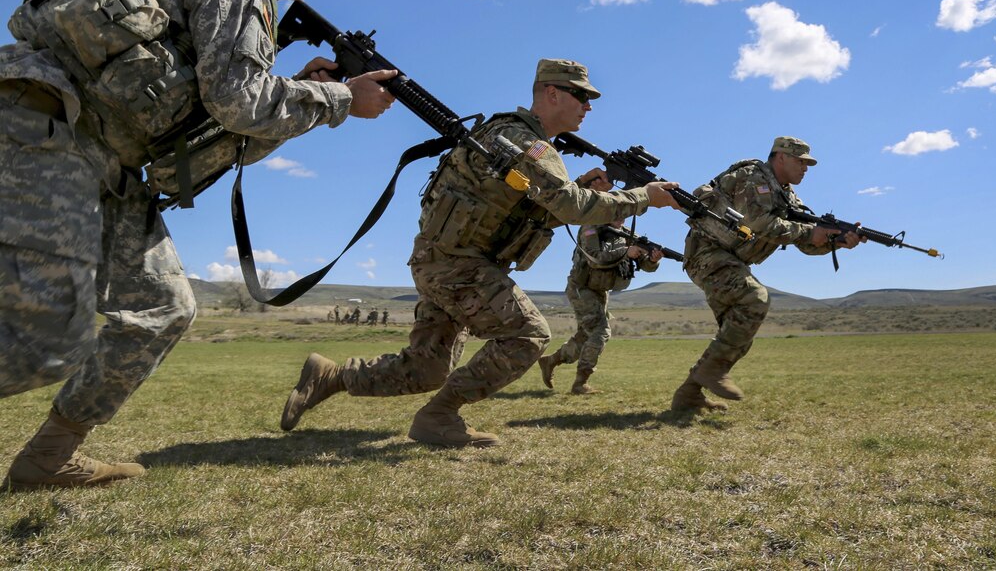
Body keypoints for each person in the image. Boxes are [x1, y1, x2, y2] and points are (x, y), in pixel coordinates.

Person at [0, 0, 397, 490]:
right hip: (45, 123)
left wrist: (301, 91)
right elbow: (241, 103)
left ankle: (47, 457)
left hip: (104, 158)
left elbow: (222, 129)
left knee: (163, 307)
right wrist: (342, 99)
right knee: (45, 328)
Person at [280, 58, 681, 447]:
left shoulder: (518, 139)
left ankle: (330, 376)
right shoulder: (527, 142)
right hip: (456, 264)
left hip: (446, 261)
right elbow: (570, 206)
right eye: (580, 95)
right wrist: (643, 197)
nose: (588, 106)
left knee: (426, 368)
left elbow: (536, 212)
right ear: (552, 93)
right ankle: (439, 417)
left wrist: (584, 188)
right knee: (528, 334)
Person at [670, 136, 862, 412]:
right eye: (801, 161)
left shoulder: (788, 197)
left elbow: (804, 243)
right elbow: (759, 223)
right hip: (707, 253)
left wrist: (835, 241)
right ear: (780, 157)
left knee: (738, 333)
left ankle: (688, 395)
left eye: (807, 164)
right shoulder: (754, 178)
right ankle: (710, 373)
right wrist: (811, 232)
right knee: (755, 299)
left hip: (729, 261)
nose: (805, 168)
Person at [537, 220, 662, 394]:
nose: (622, 216)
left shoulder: (629, 234)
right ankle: (580, 383)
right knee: (600, 332)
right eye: (618, 211)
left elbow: (646, 266)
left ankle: (550, 361)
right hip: (582, 287)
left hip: (601, 290)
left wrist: (653, 260)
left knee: (585, 337)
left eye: (625, 212)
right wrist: (626, 252)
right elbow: (594, 258)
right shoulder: (591, 227)